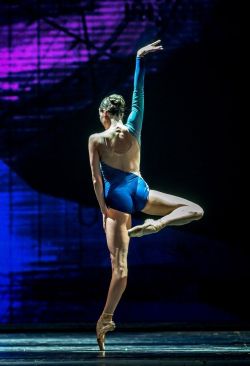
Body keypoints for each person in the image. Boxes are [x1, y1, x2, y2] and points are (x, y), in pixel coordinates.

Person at [88, 40, 204, 351]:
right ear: (121, 112)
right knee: (195, 209)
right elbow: (139, 93)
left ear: (103, 113)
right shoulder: (134, 123)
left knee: (121, 267)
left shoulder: (96, 139)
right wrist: (139, 59)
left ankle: (106, 318)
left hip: (117, 200)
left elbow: (96, 180)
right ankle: (160, 225)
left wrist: (103, 211)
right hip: (141, 191)